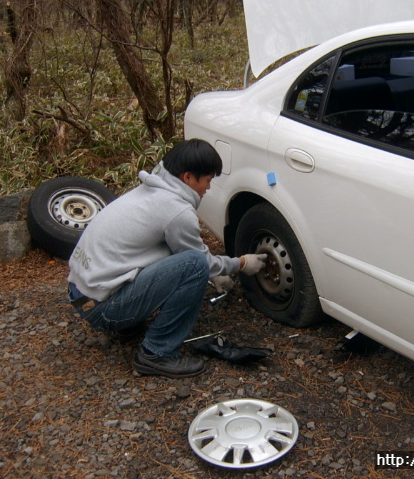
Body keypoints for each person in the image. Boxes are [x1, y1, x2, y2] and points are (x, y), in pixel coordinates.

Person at [67, 138, 267, 378]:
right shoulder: (176, 211)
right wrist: (240, 264)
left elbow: (165, 250)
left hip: (79, 295)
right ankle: (155, 353)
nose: (209, 187)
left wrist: (213, 276)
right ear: (187, 178)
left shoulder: (150, 193)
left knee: (192, 263)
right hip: (102, 308)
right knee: (195, 264)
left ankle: (126, 323)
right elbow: (197, 260)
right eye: (207, 180)